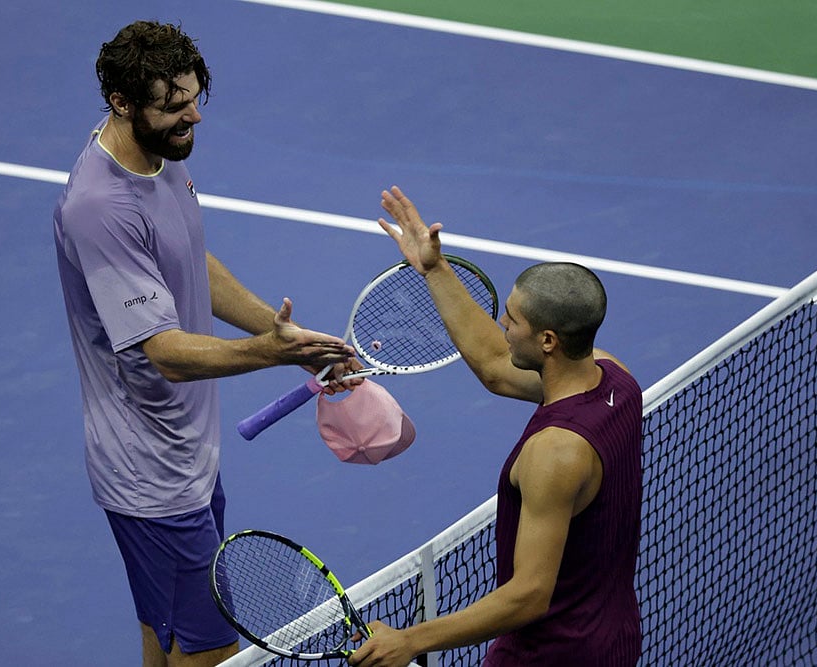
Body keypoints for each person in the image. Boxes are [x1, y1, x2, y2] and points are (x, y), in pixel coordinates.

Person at [52, 21, 358, 667]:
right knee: (213, 648)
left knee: (164, 635)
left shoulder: (156, 157)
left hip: (189, 454)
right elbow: (162, 351)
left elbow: (190, 257)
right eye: (173, 105)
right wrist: (274, 355)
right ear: (122, 102)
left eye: (195, 97)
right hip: (152, 475)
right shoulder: (100, 207)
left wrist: (284, 335)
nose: (192, 115)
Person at [349, 186, 642, 667]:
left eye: (513, 318)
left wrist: (411, 640)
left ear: (547, 340)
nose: (502, 323)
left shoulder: (555, 453)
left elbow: (529, 595)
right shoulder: (617, 379)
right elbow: (491, 363)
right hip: (613, 637)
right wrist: (434, 268)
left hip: (549, 656)